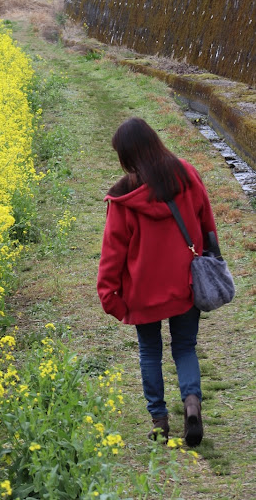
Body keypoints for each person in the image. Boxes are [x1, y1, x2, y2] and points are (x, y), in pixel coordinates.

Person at [97, 117, 217, 446]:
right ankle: (192, 406)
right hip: (185, 283)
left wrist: (110, 295)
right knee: (184, 347)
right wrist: (211, 256)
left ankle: (160, 420)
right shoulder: (186, 174)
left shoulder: (124, 196)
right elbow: (207, 221)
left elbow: (112, 252)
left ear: (126, 155)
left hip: (142, 292)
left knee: (150, 352)